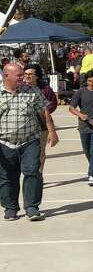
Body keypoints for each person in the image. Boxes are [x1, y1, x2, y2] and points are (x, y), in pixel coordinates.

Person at [1, 62, 58, 221]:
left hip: (30, 140)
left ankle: (32, 207)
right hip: (5, 143)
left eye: (24, 75)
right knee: (7, 177)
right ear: (6, 76)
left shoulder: (32, 91)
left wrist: (52, 131)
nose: (23, 78)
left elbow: (44, 113)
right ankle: (10, 207)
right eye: (19, 75)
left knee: (33, 171)